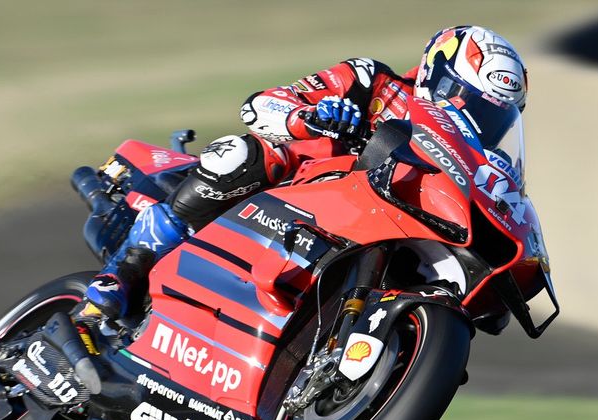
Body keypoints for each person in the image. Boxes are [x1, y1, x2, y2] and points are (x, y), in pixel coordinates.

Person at [77, 25, 529, 322]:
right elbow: (260, 105)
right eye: (467, 100)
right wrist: (308, 119)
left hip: (379, 229)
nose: (474, 120)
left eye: (494, 118)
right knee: (244, 153)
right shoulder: (371, 81)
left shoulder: (480, 161)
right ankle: (128, 270)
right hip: (298, 194)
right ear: (437, 72)